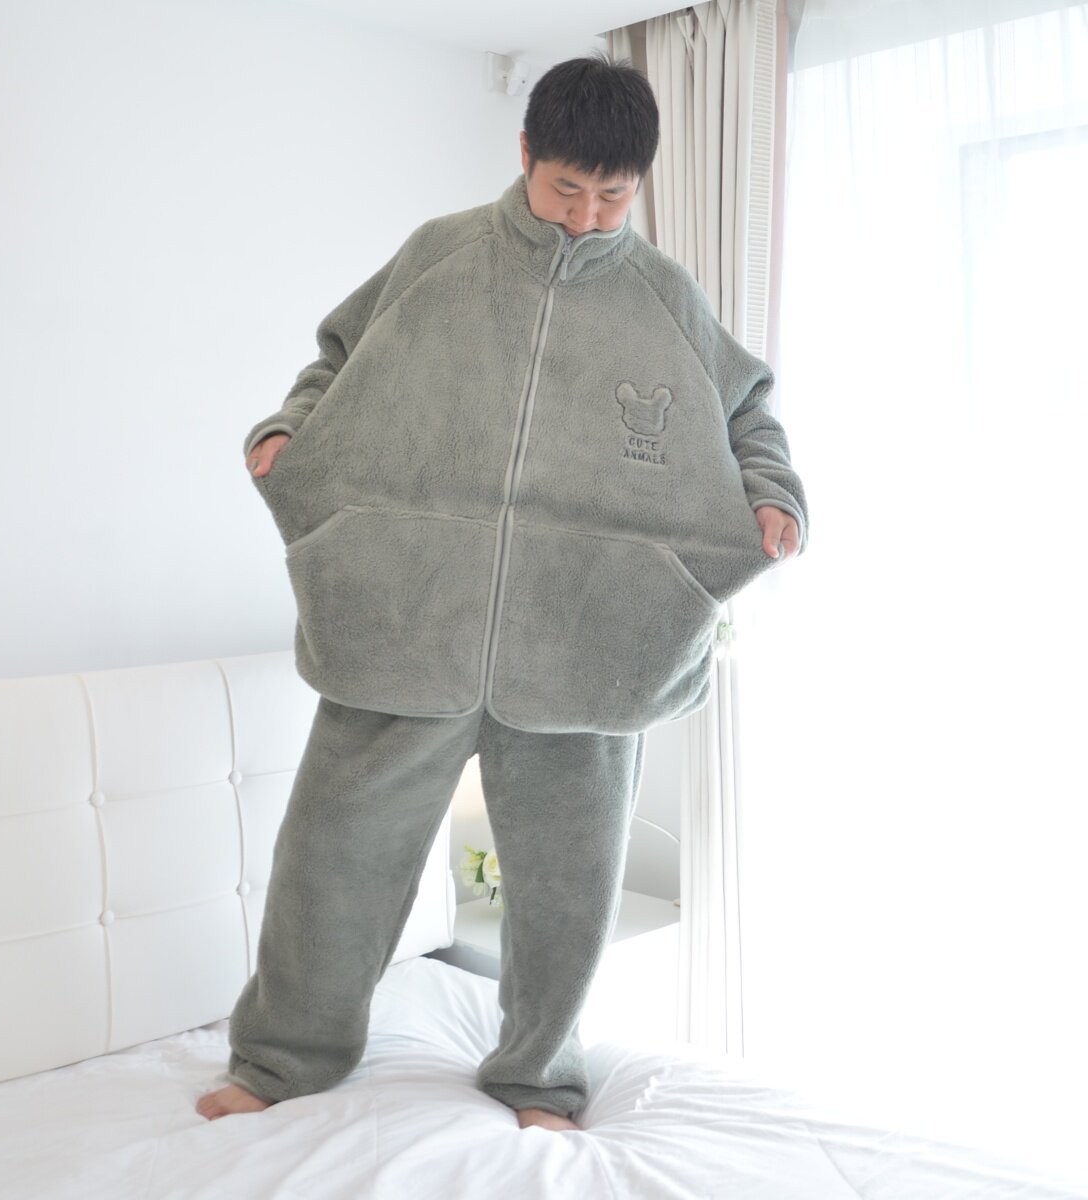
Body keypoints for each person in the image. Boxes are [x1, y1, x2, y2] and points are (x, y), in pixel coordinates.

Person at [197, 52, 807, 1132]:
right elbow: (336, 360)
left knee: (566, 892)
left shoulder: (666, 297)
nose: (584, 216)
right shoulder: (438, 256)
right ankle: (282, 1060)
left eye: (612, 197)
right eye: (566, 188)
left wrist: (771, 492)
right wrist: (289, 429)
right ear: (524, 153)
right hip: (405, 626)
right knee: (331, 861)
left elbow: (746, 412)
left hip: (585, 644)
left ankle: (537, 1076)